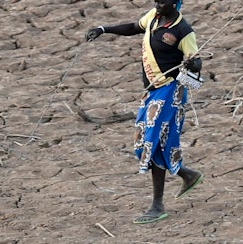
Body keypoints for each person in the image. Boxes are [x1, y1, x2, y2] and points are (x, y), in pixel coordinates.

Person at [86, 0, 205, 223]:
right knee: (144, 144)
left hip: (170, 91)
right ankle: (187, 174)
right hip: (152, 92)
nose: (158, 3)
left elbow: (196, 62)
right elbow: (133, 27)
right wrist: (103, 29)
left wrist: (192, 64)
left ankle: (157, 205)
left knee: (153, 142)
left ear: (175, 2)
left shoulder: (183, 31)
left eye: (163, 0)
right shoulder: (153, 17)